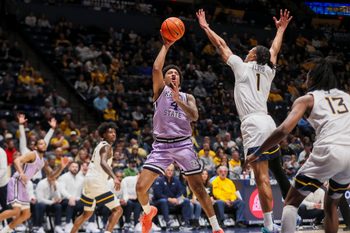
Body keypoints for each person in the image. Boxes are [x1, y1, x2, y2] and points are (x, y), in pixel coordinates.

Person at [196, 9, 293, 233]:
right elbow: (275, 49)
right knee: (275, 172)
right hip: (269, 123)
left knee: (262, 179)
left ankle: (269, 226)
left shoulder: (241, 66)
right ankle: (287, 215)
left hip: (253, 125)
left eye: (249, 51)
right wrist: (281, 29)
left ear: (253, 56)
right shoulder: (270, 70)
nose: (246, 52)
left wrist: (205, 27)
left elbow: (221, 45)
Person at [246, 57, 350, 233]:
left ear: (315, 78)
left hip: (330, 149)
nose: (305, 80)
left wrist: (257, 152)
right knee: (332, 205)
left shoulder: (307, 100)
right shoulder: (347, 97)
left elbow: (283, 130)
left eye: (308, 76)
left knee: (291, 202)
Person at [135, 35, 223, 233]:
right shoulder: (160, 92)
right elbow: (157, 68)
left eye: (176, 73)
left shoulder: (187, 96)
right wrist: (166, 45)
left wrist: (179, 100)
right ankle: (148, 212)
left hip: (183, 145)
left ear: (180, 80)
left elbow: (194, 116)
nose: (173, 74)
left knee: (198, 188)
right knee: (140, 187)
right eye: (170, 73)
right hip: (161, 146)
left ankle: (216, 228)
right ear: (165, 79)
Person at [0, 139, 68, 233]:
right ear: (36, 147)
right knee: (16, 211)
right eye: (40, 144)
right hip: (16, 181)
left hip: (23, 185)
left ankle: (5, 230)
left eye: (44, 144)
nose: (43, 145)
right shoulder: (32, 154)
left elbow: (51, 176)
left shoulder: (43, 162)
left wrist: (61, 167)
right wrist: (21, 173)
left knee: (26, 214)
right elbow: (16, 161)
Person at [70, 122, 123, 233]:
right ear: (103, 135)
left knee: (87, 213)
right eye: (110, 132)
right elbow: (104, 163)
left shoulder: (100, 145)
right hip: (96, 182)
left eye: (114, 132)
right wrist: (114, 177)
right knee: (118, 210)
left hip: (88, 181)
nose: (113, 134)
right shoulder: (106, 147)